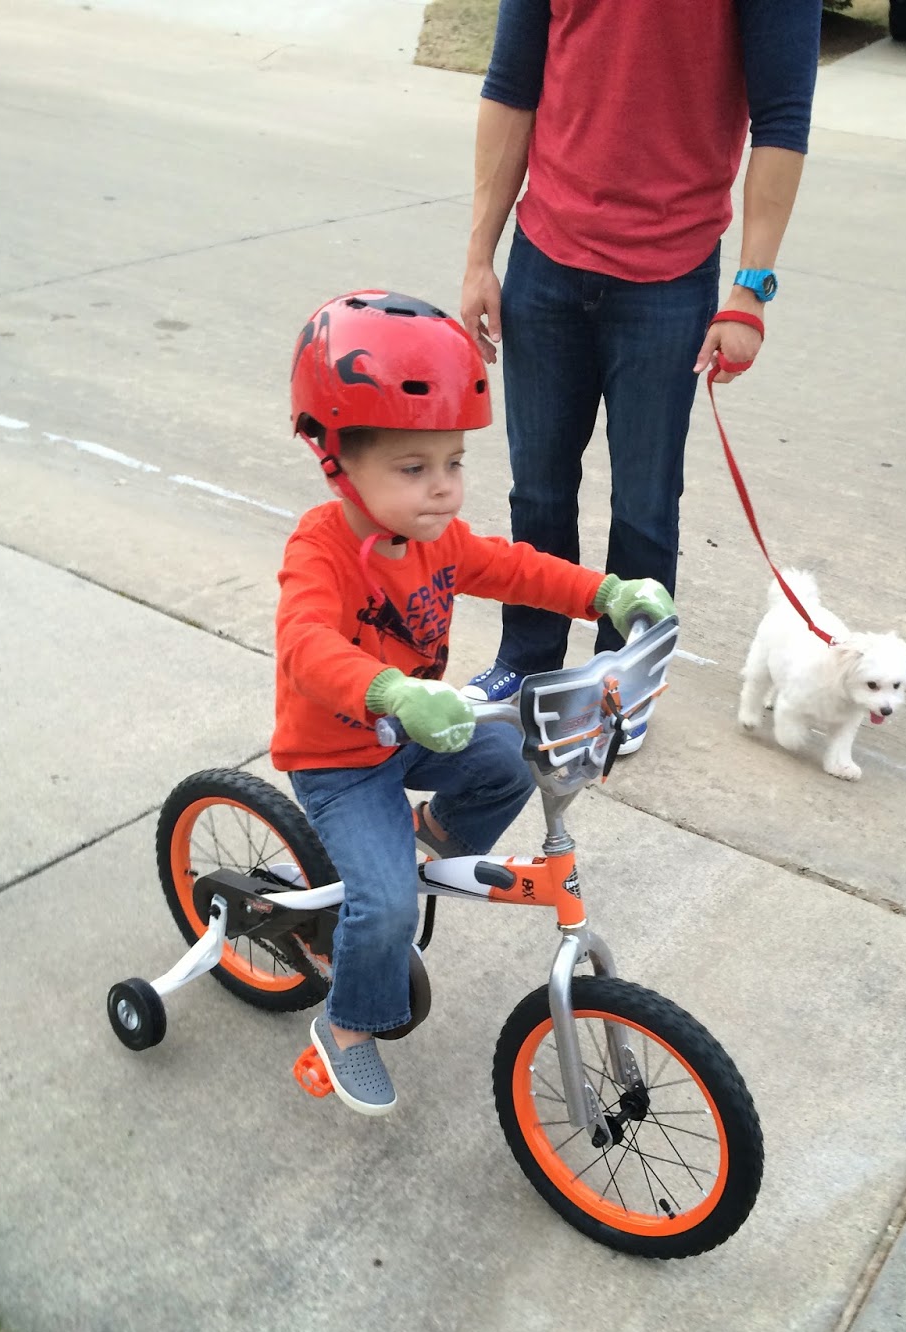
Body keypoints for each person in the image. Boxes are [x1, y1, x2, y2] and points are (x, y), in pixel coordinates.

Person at [273, 291, 674, 1114]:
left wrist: (606, 592)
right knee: (386, 904)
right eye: (414, 469)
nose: (444, 490)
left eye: (453, 463)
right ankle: (347, 1026)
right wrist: (390, 689)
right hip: (340, 759)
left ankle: (421, 846)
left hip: (413, 731)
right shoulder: (322, 547)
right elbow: (304, 646)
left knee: (507, 766)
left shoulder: (438, 539)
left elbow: (517, 567)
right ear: (337, 461)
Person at [461, 0, 822, 752]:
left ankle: (622, 684)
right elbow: (512, 84)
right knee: (538, 491)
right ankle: (528, 660)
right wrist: (479, 257)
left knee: (645, 506)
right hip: (545, 257)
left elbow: (782, 117)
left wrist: (751, 289)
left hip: (671, 274)